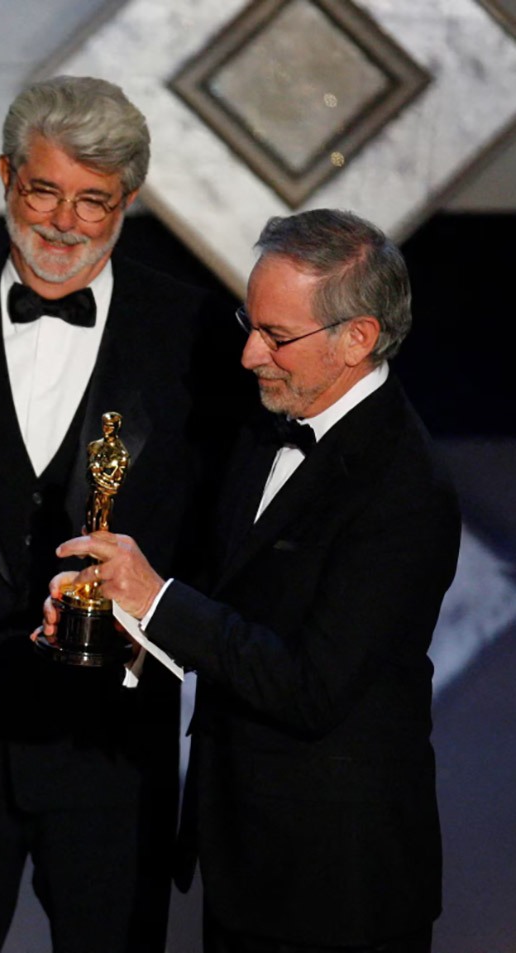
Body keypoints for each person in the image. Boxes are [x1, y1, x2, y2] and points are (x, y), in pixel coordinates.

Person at [0, 75, 240, 952]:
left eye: (93, 200)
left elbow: (216, 537)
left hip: (114, 752)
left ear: (129, 200)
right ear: (5, 175)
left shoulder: (196, 334)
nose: (64, 223)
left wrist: (145, 634)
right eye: (43, 191)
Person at [46, 209, 461, 953]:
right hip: (243, 858)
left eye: (276, 335)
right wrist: (122, 621)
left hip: (338, 884)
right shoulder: (265, 423)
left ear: (357, 338)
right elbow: (231, 596)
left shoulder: (405, 488)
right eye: (250, 322)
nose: (248, 354)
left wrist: (156, 599)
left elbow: (310, 685)